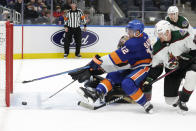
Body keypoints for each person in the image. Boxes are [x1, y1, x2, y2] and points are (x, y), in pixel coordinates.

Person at [69, 20, 154, 113]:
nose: (128, 33)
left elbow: (115, 57)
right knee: (112, 75)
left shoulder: (133, 43)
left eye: (130, 31)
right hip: (132, 64)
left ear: (137, 32)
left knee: (127, 84)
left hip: (142, 67)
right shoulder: (143, 35)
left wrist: (97, 62)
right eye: (128, 30)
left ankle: (146, 104)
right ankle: (96, 94)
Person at [144, 20, 196, 112]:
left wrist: (191, 57)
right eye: (158, 34)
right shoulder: (157, 47)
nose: (159, 36)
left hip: (187, 65)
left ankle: (183, 99)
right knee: (170, 100)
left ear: (168, 31)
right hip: (172, 71)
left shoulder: (182, 35)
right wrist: (150, 79)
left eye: (161, 33)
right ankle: (180, 95)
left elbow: (194, 48)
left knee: (193, 75)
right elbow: (157, 66)